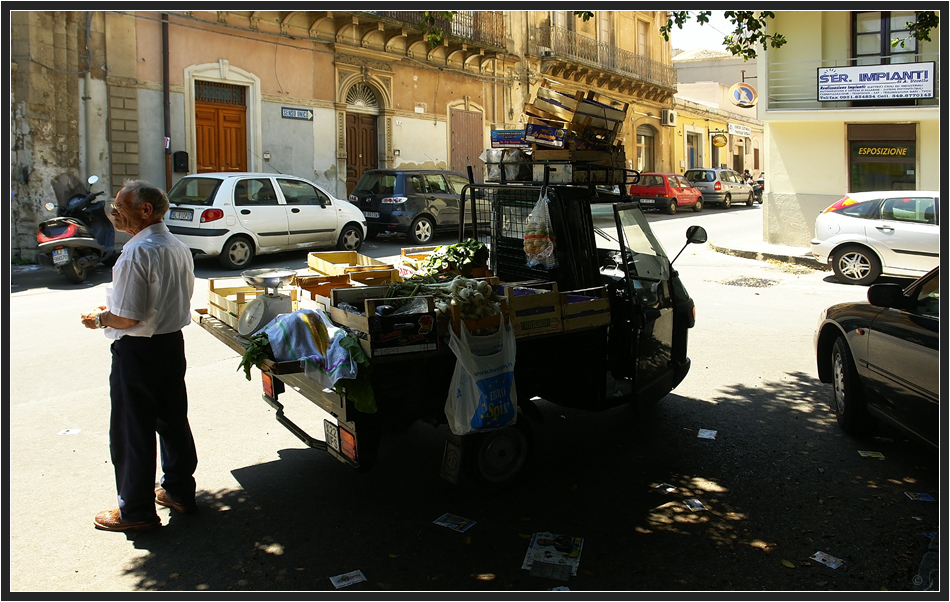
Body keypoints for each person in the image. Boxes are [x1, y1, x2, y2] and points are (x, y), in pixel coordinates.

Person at [80, 180, 198, 532]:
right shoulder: (176, 245)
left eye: (121, 207)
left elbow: (129, 317)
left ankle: (135, 510)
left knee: (133, 431)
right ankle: (179, 491)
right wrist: (117, 309)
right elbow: (157, 302)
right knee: (173, 420)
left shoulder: (137, 251)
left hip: (139, 351)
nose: (115, 213)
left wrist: (99, 318)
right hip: (169, 344)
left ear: (145, 211)